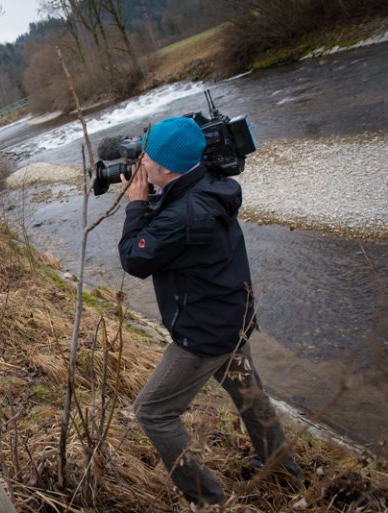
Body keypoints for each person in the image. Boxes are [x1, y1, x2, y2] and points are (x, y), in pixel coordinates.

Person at [117, 117, 303, 506]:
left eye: (146, 157)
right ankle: (284, 471)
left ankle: (209, 499)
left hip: (203, 335)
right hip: (232, 316)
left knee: (153, 413)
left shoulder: (184, 214)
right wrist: (150, 196)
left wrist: (136, 204)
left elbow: (135, 258)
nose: (140, 164)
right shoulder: (206, 182)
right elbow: (170, 225)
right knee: (250, 396)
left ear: (166, 167)